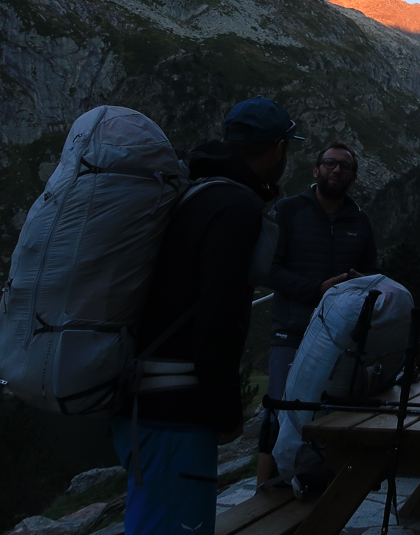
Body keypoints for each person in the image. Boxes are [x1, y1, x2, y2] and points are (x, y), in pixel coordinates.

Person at [112, 95, 301, 535]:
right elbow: (217, 318)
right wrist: (226, 411)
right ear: (279, 149)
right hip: (176, 410)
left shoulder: (194, 191)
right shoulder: (235, 207)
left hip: (140, 400)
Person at [257, 140, 379, 485]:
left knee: (330, 412)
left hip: (340, 337)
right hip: (292, 329)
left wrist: (358, 285)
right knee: (279, 408)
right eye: (329, 163)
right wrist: (317, 290)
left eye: (345, 166)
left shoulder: (360, 220)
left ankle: (318, 487)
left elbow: (373, 275)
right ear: (316, 170)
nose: (336, 170)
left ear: (354, 177)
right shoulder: (288, 210)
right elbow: (268, 269)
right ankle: (262, 492)